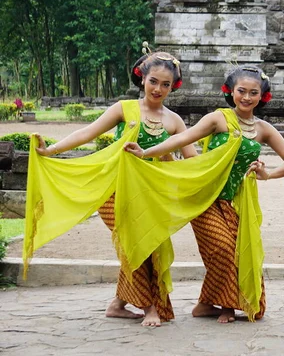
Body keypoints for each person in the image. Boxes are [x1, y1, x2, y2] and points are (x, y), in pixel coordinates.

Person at [32, 45, 196, 327]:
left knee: (148, 245)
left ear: (173, 87)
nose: (158, 89)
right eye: (153, 81)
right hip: (114, 190)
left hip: (152, 194)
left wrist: (212, 161)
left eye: (165, 84)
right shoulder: (124, 109)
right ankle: (149, 309)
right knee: (136, 244)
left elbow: (192, 161)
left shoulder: (174, 121)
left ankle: (117, 304)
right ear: (141, 78)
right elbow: (87, 132)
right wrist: (52, 150)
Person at [124, 65, 284, 323]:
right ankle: (226, 305)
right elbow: (183, 139)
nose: (246, 98)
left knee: (240, 254)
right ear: (230, 91)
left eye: (253, 93)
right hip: (204, 196)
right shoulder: (218, 119)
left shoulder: (264, 129)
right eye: (241, 91)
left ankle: (204, 304)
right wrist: (147, 153)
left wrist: (267, 173)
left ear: (263, 96)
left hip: (235, 202)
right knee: (222, 249)